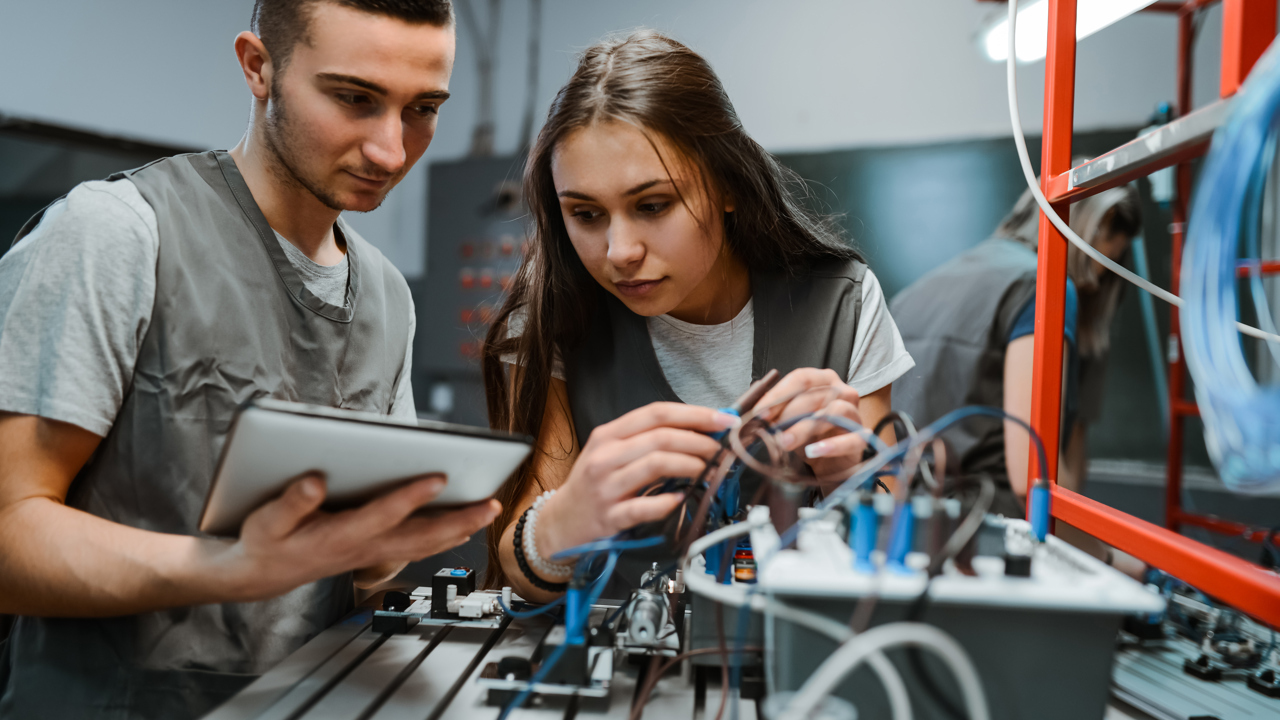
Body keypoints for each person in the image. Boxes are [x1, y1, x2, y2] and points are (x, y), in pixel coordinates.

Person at [0, 1, 501, 717]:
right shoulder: (116, 234)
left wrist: (408, 527)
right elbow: (9, 532)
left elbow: (363, 571)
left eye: (422, 108)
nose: (392, 150)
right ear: (258, 66)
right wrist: (229, 567)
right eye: (354, 98)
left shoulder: (387, 293)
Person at [481, 31, 915, 601]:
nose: (618, 251)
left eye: (653, 205)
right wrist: (561, 522)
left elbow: (891, 548)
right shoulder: (553, 311)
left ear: (728, 184)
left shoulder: (843, 303)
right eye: (585, 214)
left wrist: (849, 471)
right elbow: (520, 571)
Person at [890, 180, 1141, 522]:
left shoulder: (915, 290)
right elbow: (1032, 476)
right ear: (1092, 229)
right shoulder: (1044, 286)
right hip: (986, 530)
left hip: (898, 521)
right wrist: (1109, 556)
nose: (1096, 282)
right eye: (1103, 260)